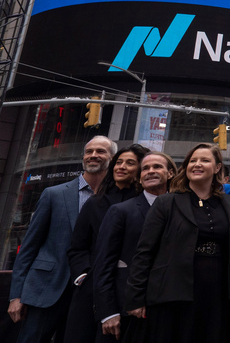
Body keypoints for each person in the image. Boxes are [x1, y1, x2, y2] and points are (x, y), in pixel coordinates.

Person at [124, 143, 230, 343]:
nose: (197, 164)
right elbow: (144, 252)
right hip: (173, 292)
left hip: (215, 294)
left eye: (204, 160)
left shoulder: (228, 203)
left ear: (218, 167)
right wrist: (136, 298)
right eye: (192, 161)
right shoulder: (167, 202)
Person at [8, 136, 114, 343]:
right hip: (45, 290)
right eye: (89, 151)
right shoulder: (53, 194)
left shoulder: (114, 201)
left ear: (112, 158)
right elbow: (29, 247)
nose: (93, 155)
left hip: (86, 294)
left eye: (101, 151)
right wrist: (16, 295)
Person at [65, 144, 147, 343]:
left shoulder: (146, 203)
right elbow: (77, 247)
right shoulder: (95, 202)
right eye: (118, 162)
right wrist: (83, 276)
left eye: (130, 163)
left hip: (127, 289)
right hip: (92, 287)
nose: (121, 167)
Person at [93, 152, 176, 343]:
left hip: (166, 312)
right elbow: (103, 264)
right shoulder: (121, 211)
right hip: (123, 314)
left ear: (170, 173)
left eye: (157, 167)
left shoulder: (182, 210)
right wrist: (108, 312)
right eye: (145, 168)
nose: (150, 171)